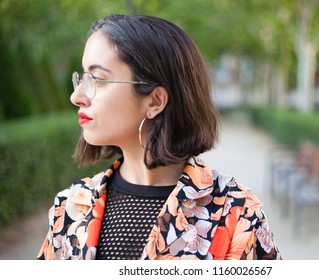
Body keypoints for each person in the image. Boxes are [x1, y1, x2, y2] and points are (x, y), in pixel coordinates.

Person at [37, 14, 282, 260]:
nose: (76, 96)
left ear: (155, 101)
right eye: (81, 78)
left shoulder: (236, 214)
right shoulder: (71, 207)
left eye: (97, 79)